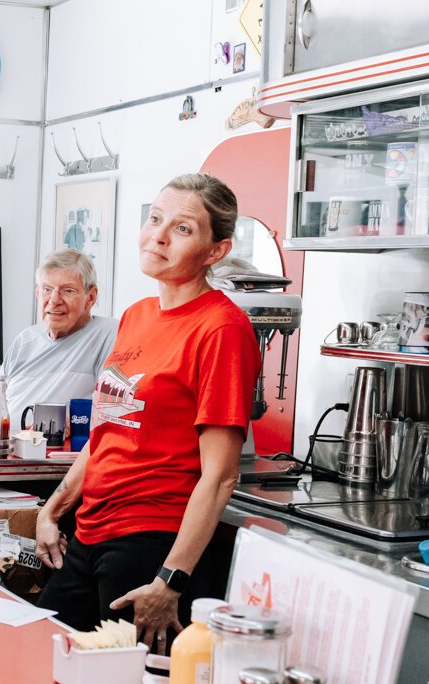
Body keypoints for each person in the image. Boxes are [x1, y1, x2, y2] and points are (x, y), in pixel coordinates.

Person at [34, 173, 260, 655]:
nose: (157, 235)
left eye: (181, 228)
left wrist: (170, 580)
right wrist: (53, 509)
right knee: (42, 660)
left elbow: (220, 476)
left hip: (150, 540)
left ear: (216, 250)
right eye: (155, 219)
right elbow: (106, 432)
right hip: (91, 529)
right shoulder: (137, 315)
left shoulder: (221, 329)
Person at [0, 249, 119, 426]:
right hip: (3, 448)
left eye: (68, 291)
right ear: (38, 293)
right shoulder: (25, 340)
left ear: (91, 297)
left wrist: (50, 426)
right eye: (47, 289)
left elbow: (111, 408)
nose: (54, 300)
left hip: (55, 451)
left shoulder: (108, 333)